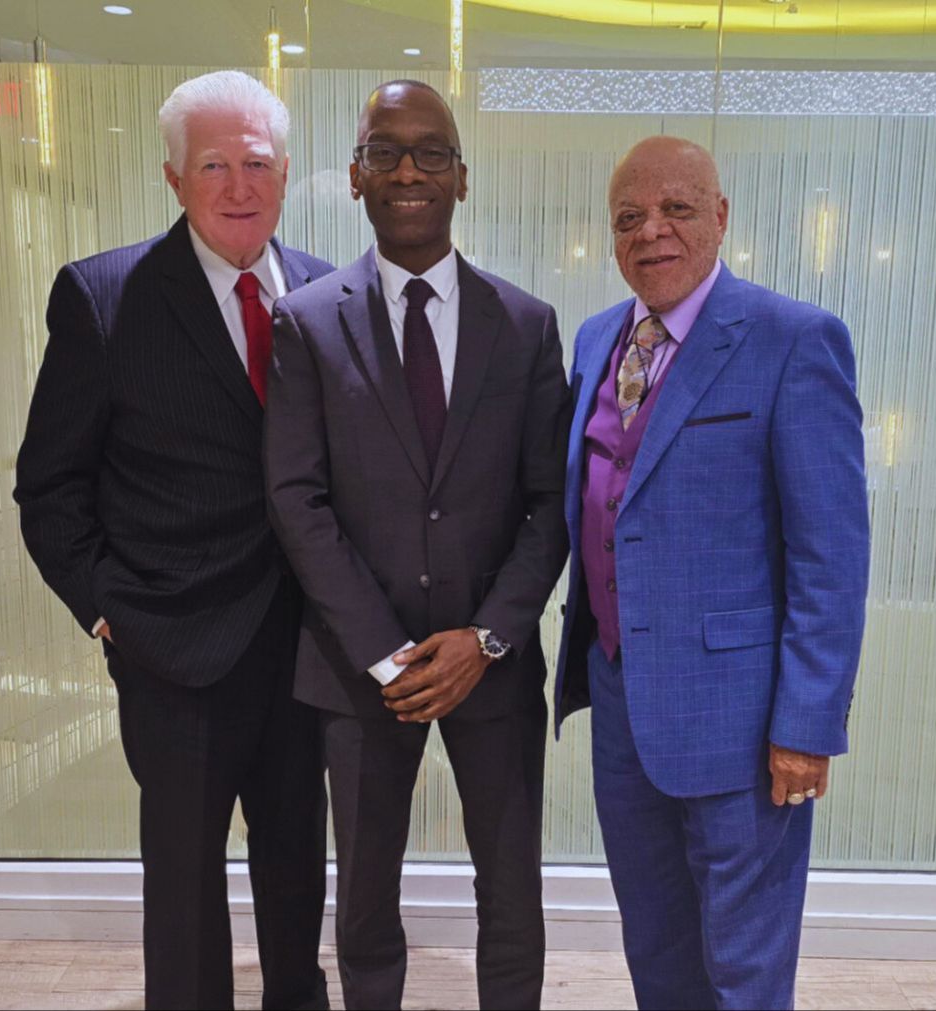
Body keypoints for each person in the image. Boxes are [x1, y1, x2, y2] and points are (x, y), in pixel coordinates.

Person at [14, 70, 333, 1011]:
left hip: (306, 650)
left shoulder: (324, 293)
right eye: (214, 165)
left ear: (285, 174)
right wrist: (108, 612)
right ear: (173, 179)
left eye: (257, 164)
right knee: (185, 897)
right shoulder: (105, 296)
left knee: (296, 877)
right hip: (173, 648)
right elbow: (49, 486)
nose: (239, 185)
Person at [264, 80, 570, 1011]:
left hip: (493, 665)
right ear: (354, 176)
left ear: (461, 178)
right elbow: (296, 498)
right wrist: (386, 650)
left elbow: (549, 504)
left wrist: (484, 639)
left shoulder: (524, 325)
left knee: (511, 894)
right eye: (385, 152)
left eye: (430, 152)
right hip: (360, 673)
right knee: (363, 898)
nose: (408, 170)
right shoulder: (307, 323)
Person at [554, 134, 869, 1010]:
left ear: (720, 216)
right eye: (629, 218)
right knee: (655, 954)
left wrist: (807, 720)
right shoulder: (592, 342)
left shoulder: (791, 340)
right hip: (622, 708)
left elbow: (830, 554)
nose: (651, 231)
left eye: (675, 209)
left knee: (743, 971)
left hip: (743, 723)